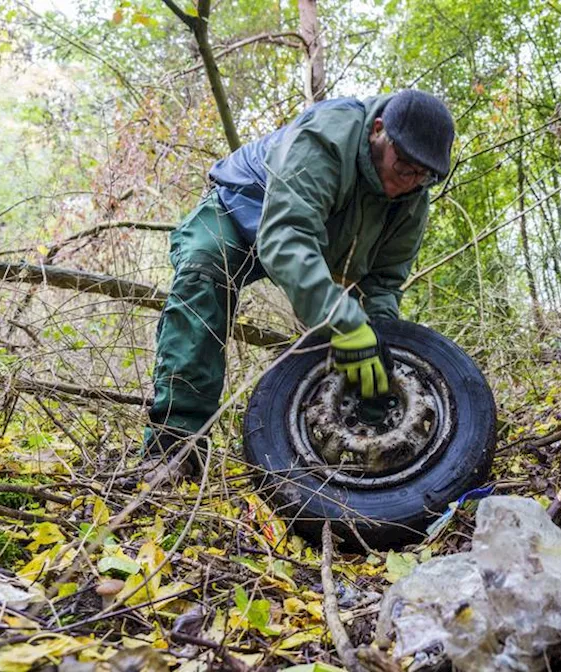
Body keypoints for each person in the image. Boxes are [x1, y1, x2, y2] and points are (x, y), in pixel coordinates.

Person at [141, 89, 456, 481]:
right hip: (240, 210)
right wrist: (343, 322)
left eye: (422, 175)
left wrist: (379, 344)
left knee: (361, 342)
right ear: (379, 131)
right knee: (205, 271)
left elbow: (383, 283)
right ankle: (175, 446)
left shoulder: (413, 198)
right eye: (404, 166)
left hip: (320, 248)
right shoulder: (328, 137)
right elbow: (287, 235)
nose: (408, 182)